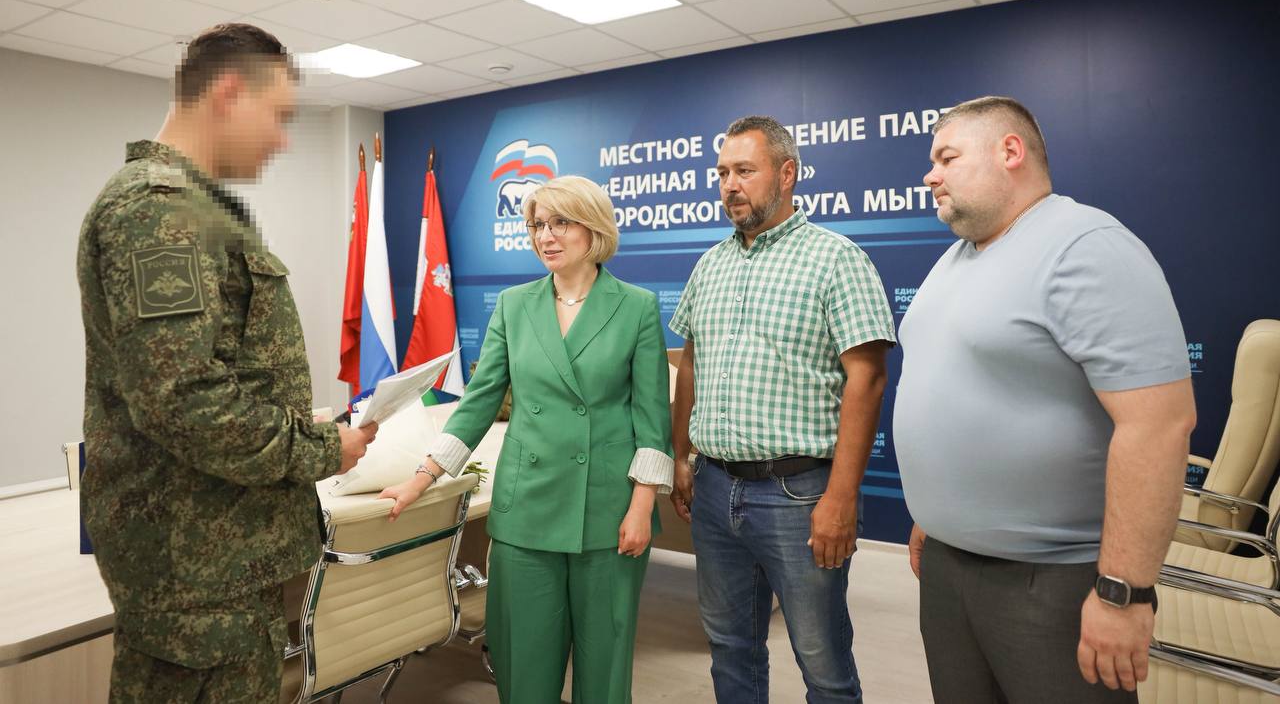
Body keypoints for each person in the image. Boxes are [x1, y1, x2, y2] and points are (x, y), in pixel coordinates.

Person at [78, 23, 377, 704]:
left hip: (221, 555)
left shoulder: (191, 207)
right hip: (194, 568)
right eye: (278, 116)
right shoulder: (156, 210)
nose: (282, 139)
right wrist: (321, 448)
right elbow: (183, 398)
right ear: (229, 94)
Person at [895, 96, 1197, 703]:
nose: (930, 175)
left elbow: (1158, 424)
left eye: (947, 158)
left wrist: (1123, 593)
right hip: (950, 565)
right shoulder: (957, 257)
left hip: (1051, 580)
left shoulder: (1085, 246)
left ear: (1010, 151)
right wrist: (937, 514)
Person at [379, 175, 673, 704]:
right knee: (523, 668)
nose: (546, 236)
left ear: (594, 229)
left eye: (561, 223)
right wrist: (422, 478)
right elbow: (478, 403)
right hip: (526, 511)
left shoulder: (636, 307)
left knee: (604, 671)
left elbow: (652, 420)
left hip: (608, 511)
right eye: (538, 225)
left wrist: (642, 506)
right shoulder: (514, 305)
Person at [667, 115, 896, 704]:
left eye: (745, 171)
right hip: (715, 490)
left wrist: (841, 498)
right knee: (730, 648)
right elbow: (690, 364)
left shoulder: (836, 259)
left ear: (787, 173)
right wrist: (681, 456)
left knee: (822, 660)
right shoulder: (710, 264)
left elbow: (867, 379)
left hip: (799, 495)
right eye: (722, 173)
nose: (730, 185)